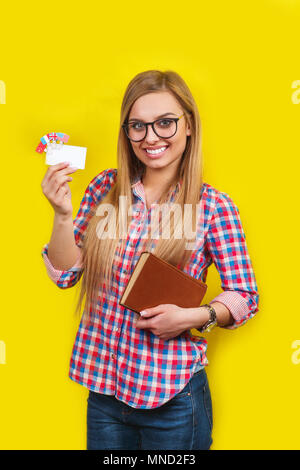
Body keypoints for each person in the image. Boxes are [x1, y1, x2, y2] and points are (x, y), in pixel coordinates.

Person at [40, 70, 259, 450]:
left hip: (173, 398)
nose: (151, 137)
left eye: (165, 123)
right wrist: (61, 214)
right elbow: (65, 275)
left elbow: (245, 296)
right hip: (104, 395)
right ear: (126, 132)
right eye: (137, 126)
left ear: (188, 125)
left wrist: (191, 317)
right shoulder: (103, 188)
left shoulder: (213, 207)